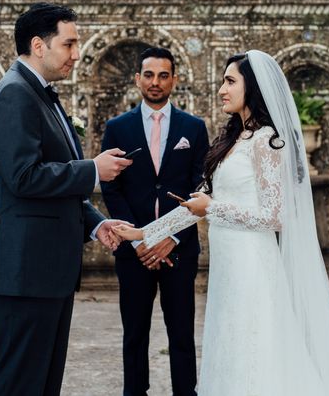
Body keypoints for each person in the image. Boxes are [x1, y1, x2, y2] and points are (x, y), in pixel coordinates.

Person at [113, 50, 329, 395]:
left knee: (253, 346)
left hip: (252, 264)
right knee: (228, 342)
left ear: (253, 87)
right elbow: (196, 202)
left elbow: (274, 217)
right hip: (228, 265)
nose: (221, 90)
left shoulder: (267, 142)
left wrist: (212, 209)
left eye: (230, 81)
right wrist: (145, 232)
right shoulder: (234, 139)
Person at [0, 2, 133, 396]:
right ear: (38, 45)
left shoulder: (40, 93)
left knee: (43, 384)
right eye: (69, 44)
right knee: (19, 384)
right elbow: (24, 178)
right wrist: (93, 170)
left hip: (46, 271)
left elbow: (53, 187)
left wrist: (96, 223)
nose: (77, 54)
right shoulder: (15, 94)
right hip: (24, 270)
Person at [101, 47, 209, 396]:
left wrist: (170, 237)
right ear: (137, 79)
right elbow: (112, 189)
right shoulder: (117, 128)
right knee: (134, 333)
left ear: (174, 80)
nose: (156, 82)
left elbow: (200, 188)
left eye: (164, 75)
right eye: (149, 75)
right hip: (134, 251)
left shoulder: (193, 128)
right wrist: (140, 239)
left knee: (181, 333)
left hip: (179, 248)